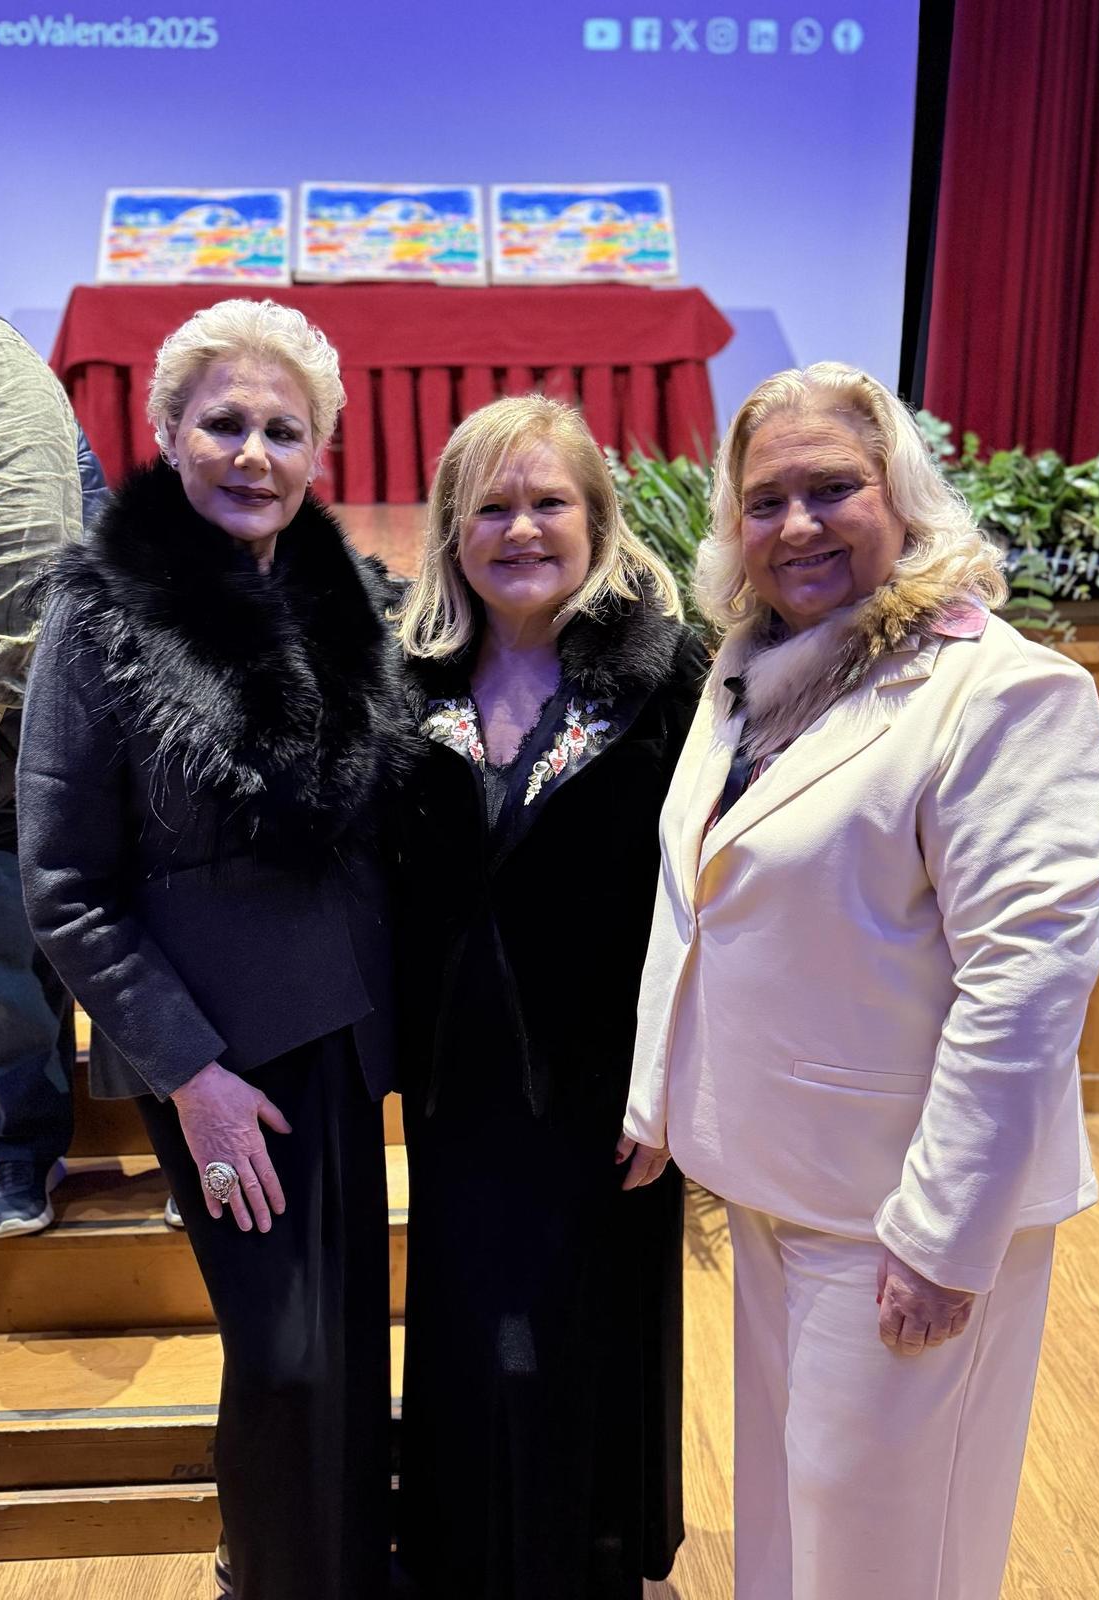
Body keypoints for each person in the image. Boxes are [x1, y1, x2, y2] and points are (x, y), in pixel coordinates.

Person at [621, 362, 1099, 1600]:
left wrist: (945, 1237)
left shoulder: (1004, 691)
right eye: (765, 499)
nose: (796, 525)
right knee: (797, 1527)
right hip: (777, 1179)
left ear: (901, 495)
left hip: (903, 1211)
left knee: (891, 1554)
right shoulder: (749, 670)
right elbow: (691, 899)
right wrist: (656, 1099)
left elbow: (1025, 984)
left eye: (832, 488)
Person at [17, 298, 408, 1600]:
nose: (253, 453)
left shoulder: (344, 596)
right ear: (165, 430)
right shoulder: (102, 608)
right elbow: (66, 887)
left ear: (321, 451)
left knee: (345, 1352)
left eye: (283, 430)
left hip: (345, 1039)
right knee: (287, 1357)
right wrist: (190, 1080)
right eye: (223, 423)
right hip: (220, 1061)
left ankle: (331, 1566)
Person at [392, 395, 705, 1600]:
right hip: (459, 1080)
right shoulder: (404, 674)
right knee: (472, 1325)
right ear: (452, 530)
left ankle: (593, 1557)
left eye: (549, 502)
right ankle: (466, 1552)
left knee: (589, 1328)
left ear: (598, 517)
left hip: (608, 1081)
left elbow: (704, 899)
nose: (522, 528)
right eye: (493, 507)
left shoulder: (672, 676)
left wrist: (671, 1082)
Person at [0, 306, 108, 1236]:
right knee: (4, 961)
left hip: (65, 708)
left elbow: (27, 537)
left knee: (134, 940)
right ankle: (21, 1154)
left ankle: (186, 1139)